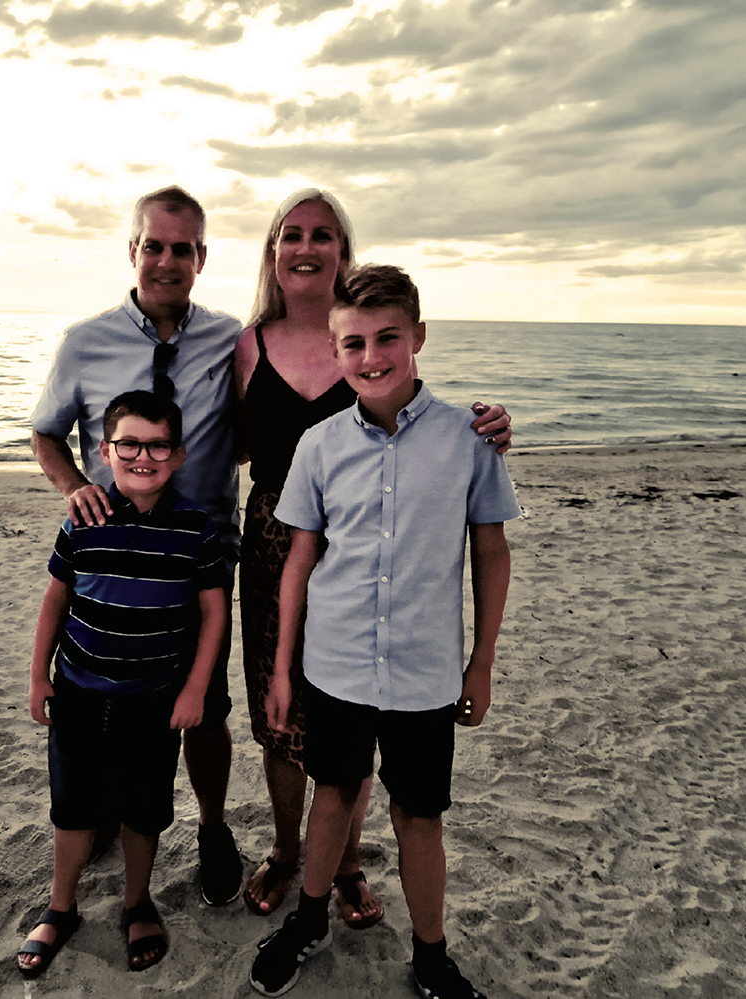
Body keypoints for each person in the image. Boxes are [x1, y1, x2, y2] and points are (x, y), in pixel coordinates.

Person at [234, 191, 513, 924]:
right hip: (275, 535)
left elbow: (482, 531)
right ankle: (291, 855)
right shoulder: (245, 344)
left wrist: (488, 426)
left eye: (322, 234)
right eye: (291, 234)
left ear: (341, 251)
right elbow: (217, 443)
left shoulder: (435, 416)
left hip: (375, 566)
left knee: (353, 738)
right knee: (283, 714)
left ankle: (348, 866)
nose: (305, 245)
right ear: (271, 251)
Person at [30, 186, 244, 907]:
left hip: (201, 559)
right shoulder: (85, 341)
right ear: (132, 250)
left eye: (181, 248)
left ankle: (213, 826)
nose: (165, 260)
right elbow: (45, 430)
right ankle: (105, 813)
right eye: (153, 244)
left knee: (204, 709)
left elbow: (303, 397)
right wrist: (71, 487)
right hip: (113, 559)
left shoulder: (231, 339)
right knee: (110, 702)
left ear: (201, 258)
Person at [17, 391, 229, 976]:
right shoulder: (83, 520)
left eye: (158, 445)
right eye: (128, 444)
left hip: (154, 700)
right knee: (74, 807)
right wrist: (39, 676)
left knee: (144, 809)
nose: (144, 456)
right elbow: (56, 601)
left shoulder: (197, 529)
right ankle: (61, 906)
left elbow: (213, 614)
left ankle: (138, 900)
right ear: (105, 451)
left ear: (179, 455)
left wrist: (194, 690)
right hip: (79, 693)